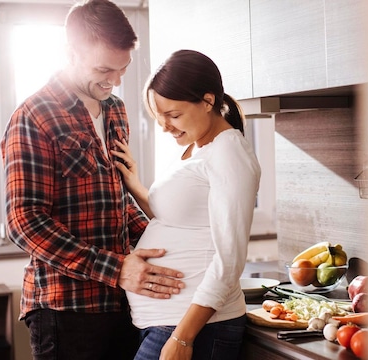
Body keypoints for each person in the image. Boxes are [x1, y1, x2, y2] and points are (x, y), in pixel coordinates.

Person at [0, 1, 184, 359]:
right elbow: (25, 222)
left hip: (123, 304)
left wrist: (166, 243)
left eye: (123, 69)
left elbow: (115, 201)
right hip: (65, 310)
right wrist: (118, 270)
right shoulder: (34, 116)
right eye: (104, 69)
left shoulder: (114, 109)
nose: (115, 81)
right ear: (70, 52)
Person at [111, 49, 262, 360]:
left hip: (195, 327)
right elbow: (179, 219)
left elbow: (229, 260)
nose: (165, 126)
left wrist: (183, 338)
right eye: (159, 116)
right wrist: (137, 186)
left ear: (207, 102)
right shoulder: (199, 148)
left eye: (174, 115)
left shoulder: (229, 153)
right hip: (167, 322)